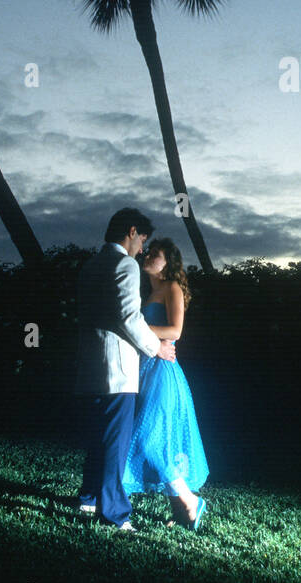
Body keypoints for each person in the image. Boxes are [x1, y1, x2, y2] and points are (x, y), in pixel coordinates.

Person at [75, 207, 177, 530]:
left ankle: (88, 499)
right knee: (114, 444)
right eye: (143, 240)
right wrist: (156, 347)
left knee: (96, 437)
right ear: (132, 232)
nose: (143, 248)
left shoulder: (90, 266)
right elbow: (129, 318)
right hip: (117, 369)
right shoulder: (124, 265)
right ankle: (115, 513)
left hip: (90, 364)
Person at [122, 237, 209, 529]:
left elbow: (176, 330)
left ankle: (190, 500)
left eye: (154, 254)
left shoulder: (171, 288)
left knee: (151, 439)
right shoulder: (149, 292)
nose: (147, 256)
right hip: (147, 370)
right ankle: (183, 509)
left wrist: (139, 328)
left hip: (163, 374)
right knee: (158, 440)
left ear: (168, 263)